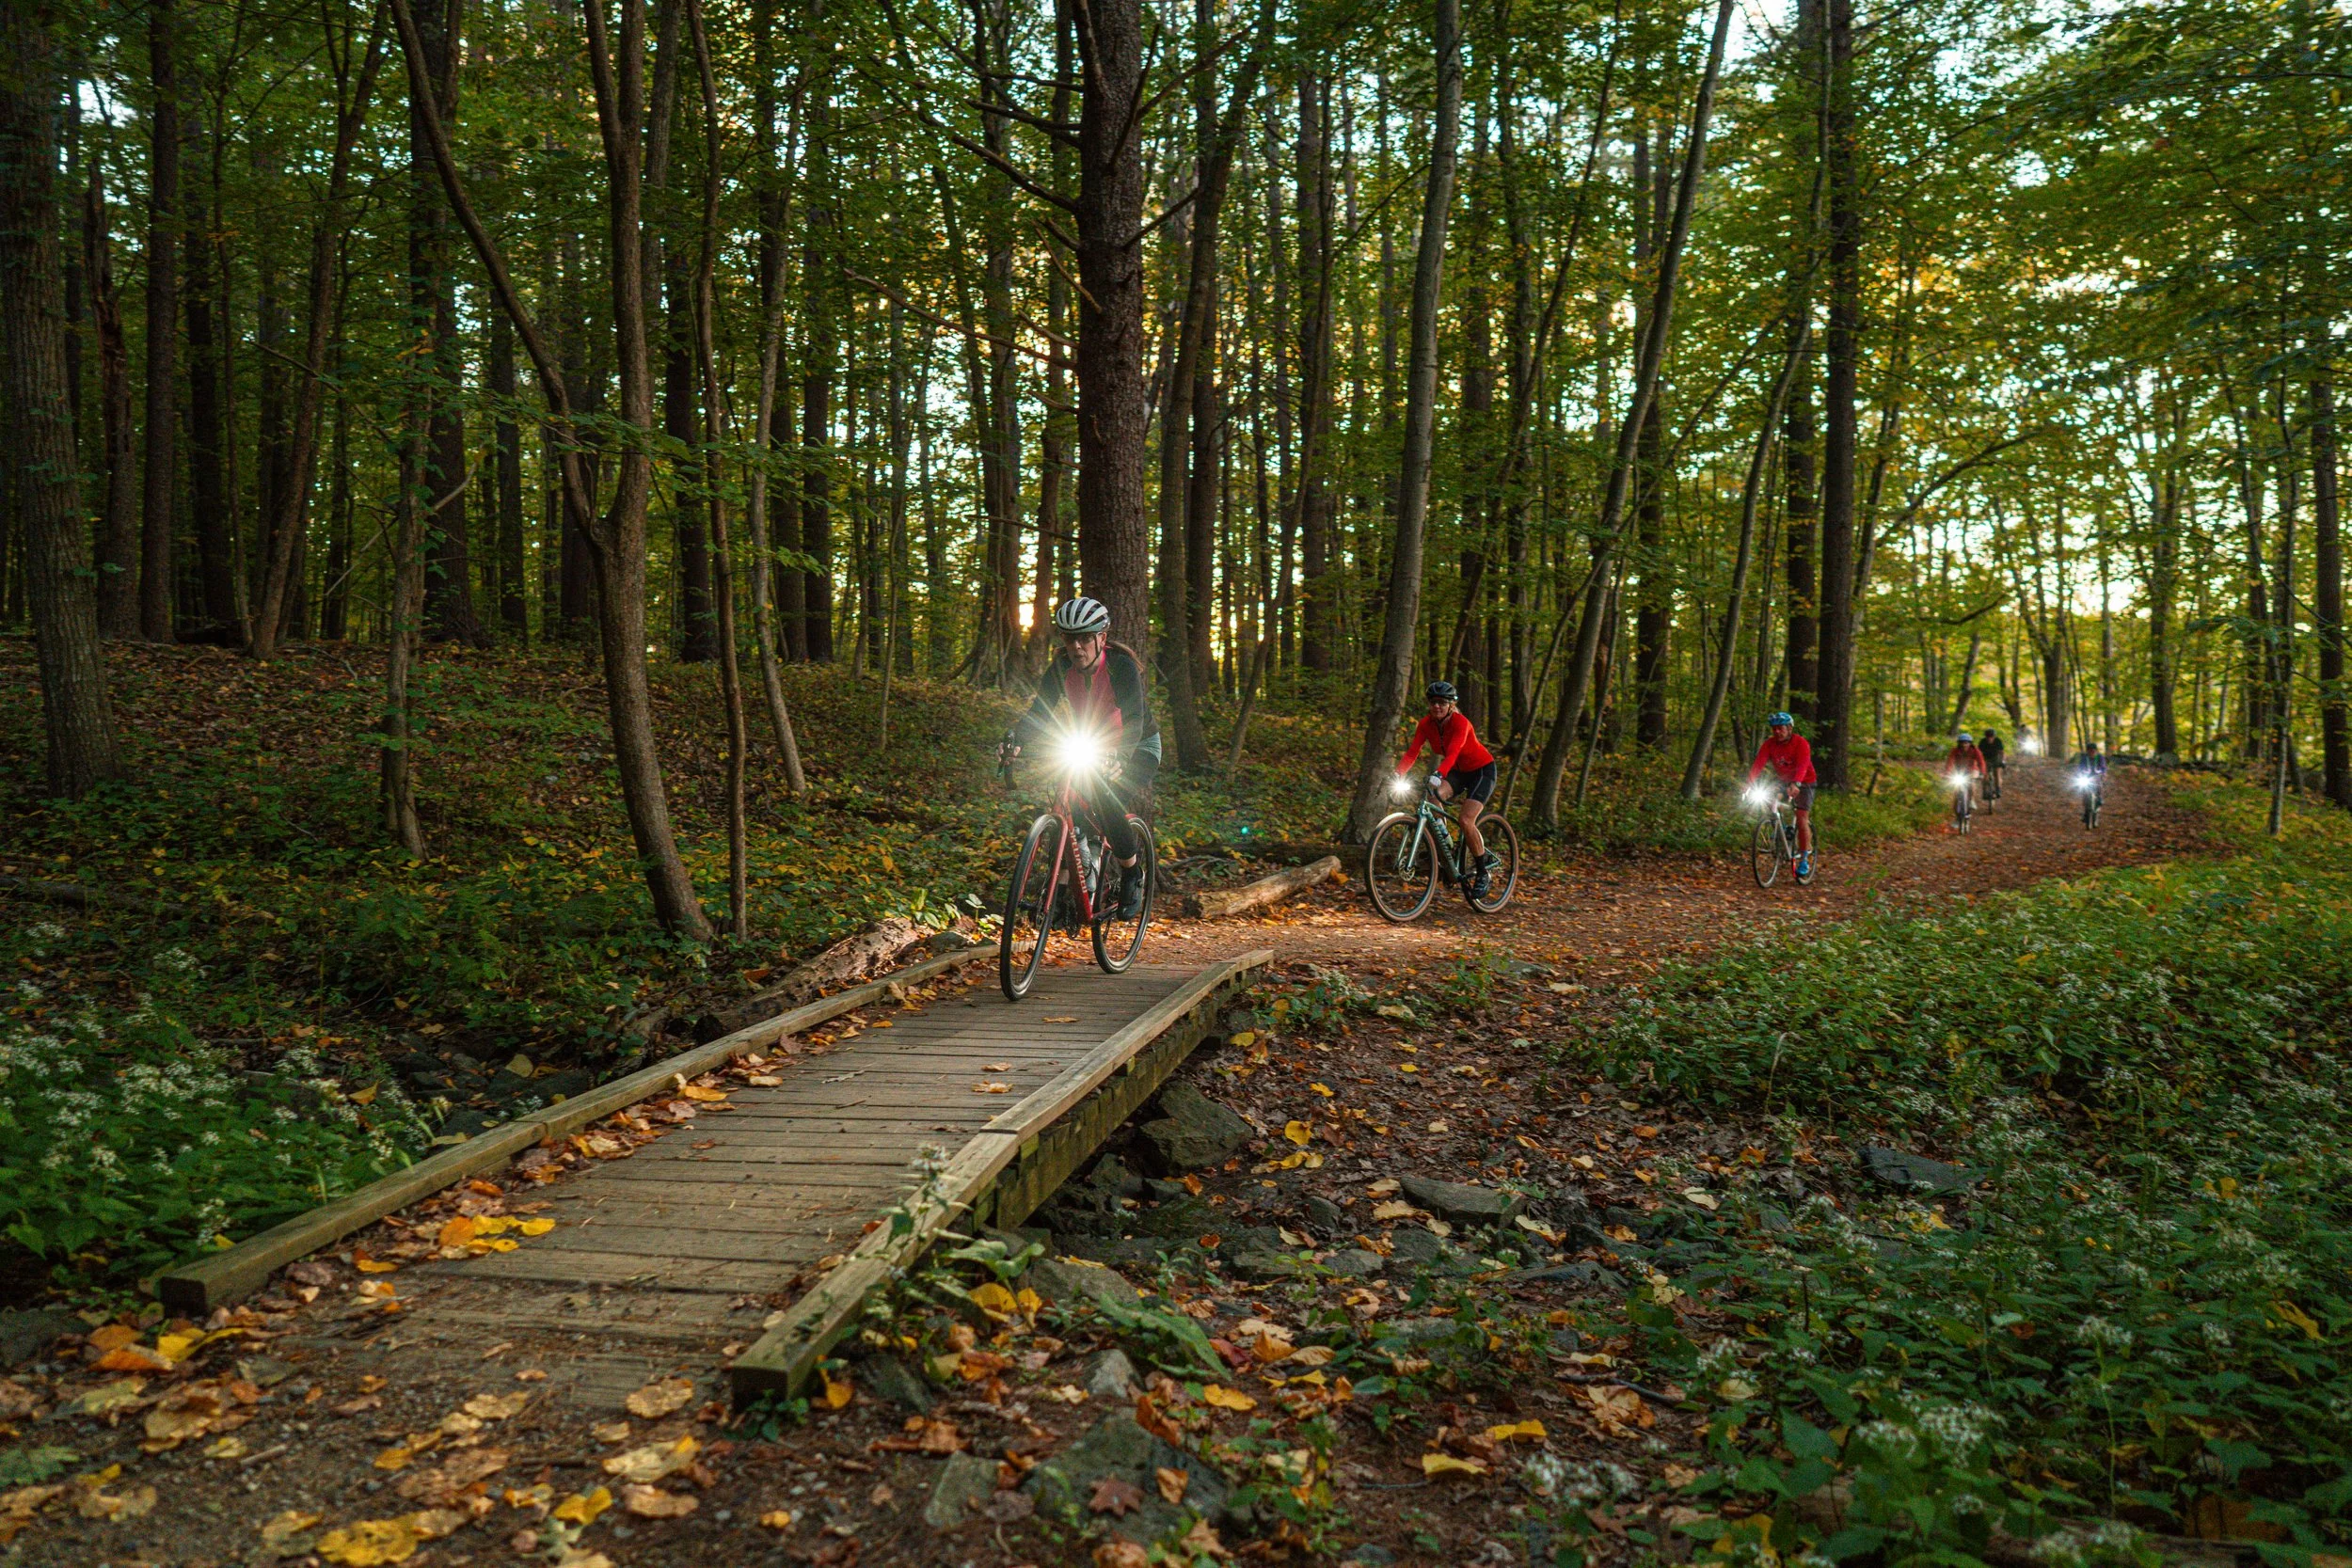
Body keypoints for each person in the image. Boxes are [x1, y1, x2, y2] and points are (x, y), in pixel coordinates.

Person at [1003, 597, 1161, 918]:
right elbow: (1039, 713)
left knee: (1109, 801)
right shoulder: (1060, 667)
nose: (1076, 646)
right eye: (1068, 638)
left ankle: (1132, 872)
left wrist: (1121, 754)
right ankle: (1063, 893)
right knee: (1070, 807)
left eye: (1084, 638)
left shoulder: (1121, 666)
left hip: (1138, 746)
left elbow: (1134, 719)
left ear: (1101, 638)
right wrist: (1016, 741)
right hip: (1093, 743)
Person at [1395, 681, 1499, 896]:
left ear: (1452, 705)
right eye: (1433, 702)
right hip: (1458, 771)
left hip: (1481, 771)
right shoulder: (1425, 724)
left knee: (1466, 820)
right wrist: (1398, 773)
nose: (1437, 706)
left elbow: (1453, 752)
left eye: (1442, 702)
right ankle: (1448, 846)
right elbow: (1412, 752)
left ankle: (1482, 873)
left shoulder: (1461, 723)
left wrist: (1439, 774)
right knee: (1433, 797)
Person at [1746, 711, 1818, 876]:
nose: (1777, 732)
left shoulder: (1801, 743)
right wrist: (1748, 784)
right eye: (1774, 729)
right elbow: (1758, 764)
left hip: (1805, 781)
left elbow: (1803, 765)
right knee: (1767, 798)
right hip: (1783, 780)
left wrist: (1797, 783)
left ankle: (1804, 858)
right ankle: (1779, 826)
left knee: (1801, 819)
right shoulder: (1770, 744)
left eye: (1781, 728)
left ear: (1789, 728)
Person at [1947, 731, 1987, 815]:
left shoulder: (1975, 750)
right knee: (1956, 792)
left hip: (1972, 770)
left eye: (1966, 743)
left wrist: (1982, 773)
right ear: (1959, 743)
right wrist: (1947, 773)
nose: (1964, 745)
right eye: (1962, 743)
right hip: (1959, 772)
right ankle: (1957, 814)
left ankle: (1971, 800)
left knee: (1971, 784)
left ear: (1970, 743)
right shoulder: (1955, 751)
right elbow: (1949, 762)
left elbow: (1981, 762)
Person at [1978, 727, 2006, 800]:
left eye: (1991, 737)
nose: (1990, 738)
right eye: (1988, 737)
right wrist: (1978, 763)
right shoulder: (1982, 742)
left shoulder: (1998, 741)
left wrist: (2003, 761)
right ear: (1986, 737)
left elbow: (2002, 752)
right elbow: (1978, 753)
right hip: (1985, 759)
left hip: (1995, 758)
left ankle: (1998, 790)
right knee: (1985, 775)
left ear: (1994, 737)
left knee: (1997, 773)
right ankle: (1985, 791)